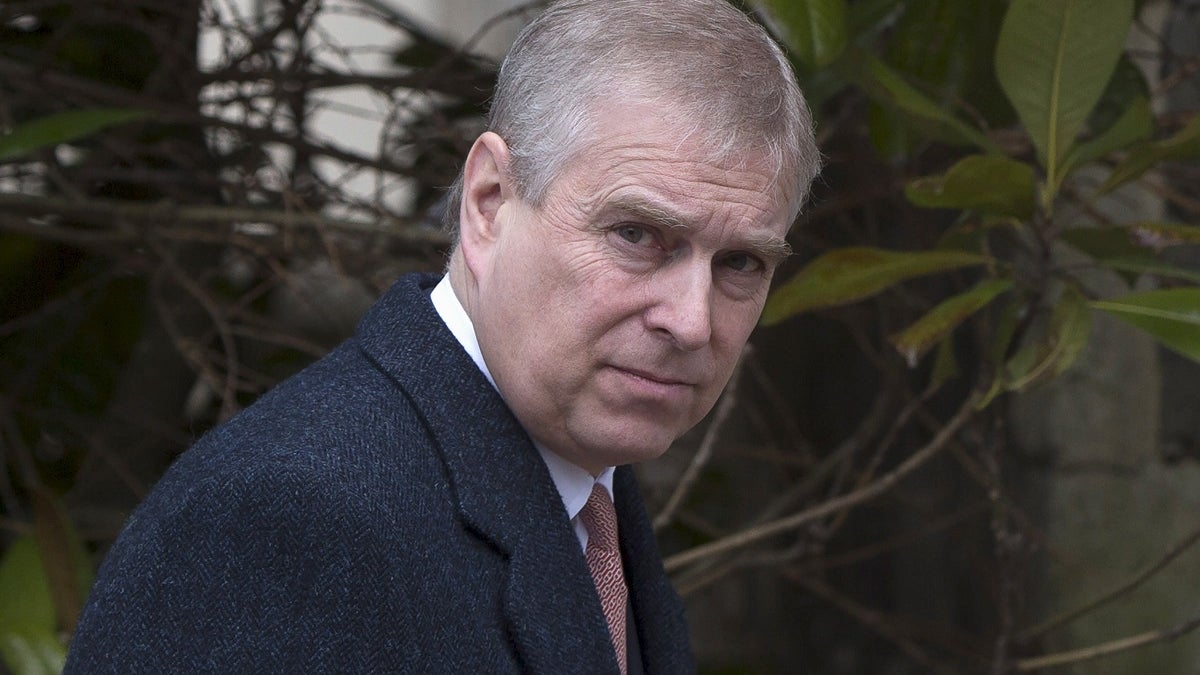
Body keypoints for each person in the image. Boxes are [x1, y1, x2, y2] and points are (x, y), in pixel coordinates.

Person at [65, 0, 819, 672]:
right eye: (637, 234)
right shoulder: (291, 520)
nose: (691, 320)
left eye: (742, 261)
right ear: (489, 201)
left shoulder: (586, 484)